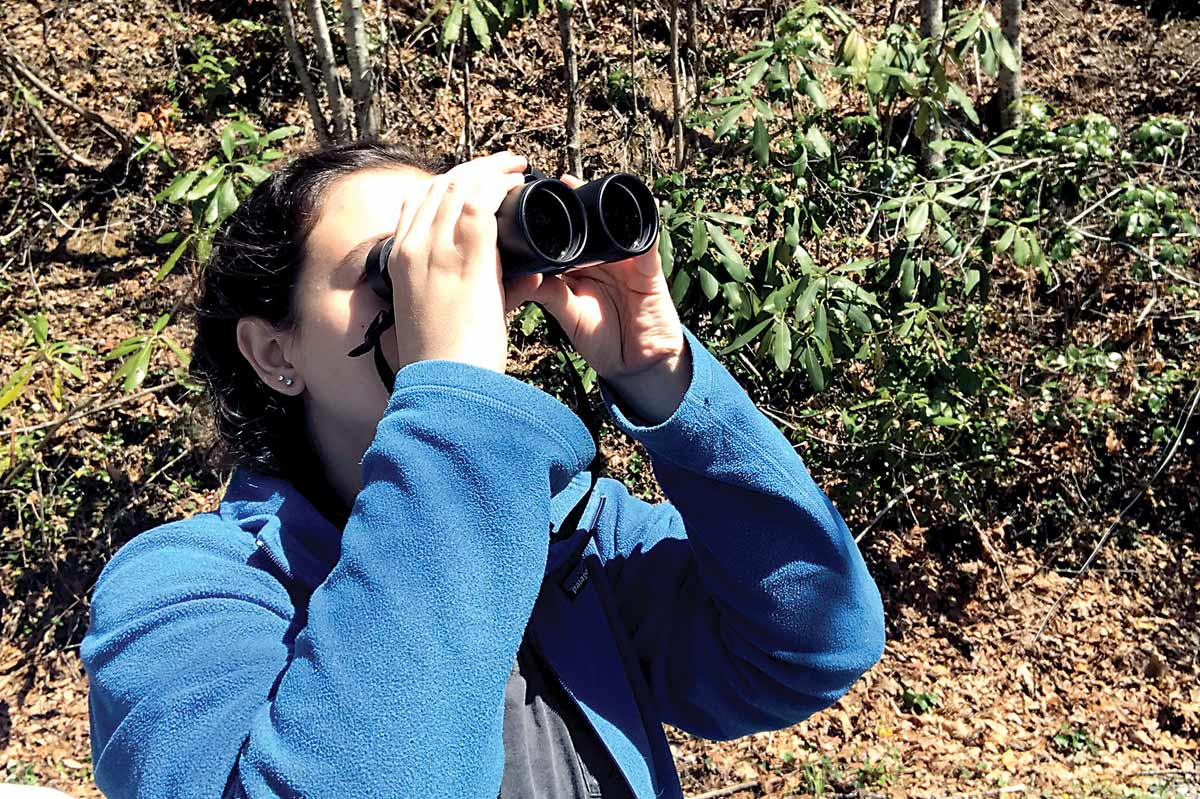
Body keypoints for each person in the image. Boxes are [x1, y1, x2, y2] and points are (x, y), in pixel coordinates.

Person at [81, 142, 886, 799]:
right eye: (392, 267)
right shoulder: (182, 593)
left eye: (451, 258)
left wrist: (658, 370)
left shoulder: (571, 537)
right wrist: (456, 403)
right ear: (273, 351)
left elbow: (806, 642)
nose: (432, 292)